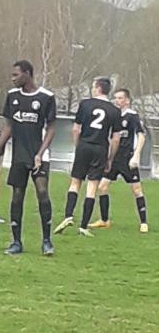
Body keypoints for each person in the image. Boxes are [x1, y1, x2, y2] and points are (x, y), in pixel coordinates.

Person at [0, 60, 56, 256]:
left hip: (39, 155)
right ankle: (16, 242)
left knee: (42, 193)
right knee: (17, 196)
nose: (13, 79)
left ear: (27, 74)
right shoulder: (12, 96)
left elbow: (51, 128)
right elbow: (9, 126)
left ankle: (47, 241)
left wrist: (40, 154)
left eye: (16, 75)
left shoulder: (46, 97)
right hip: (19, 155)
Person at [54, 78, 122, 238]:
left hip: (84, 145)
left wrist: (78, 146)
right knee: (92, 187)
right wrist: (110, 158)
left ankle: (68, 216)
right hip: (100, 149)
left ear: (98, 88)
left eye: (93, 87)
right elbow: (116, 137)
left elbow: (76, 129)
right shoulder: (115, 110)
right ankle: (84, 226)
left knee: (75, 182)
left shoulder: (85, 104)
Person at [90, 88, 149, 233]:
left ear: (127, 100)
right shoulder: (113, 116)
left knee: (136, 189)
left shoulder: (132, 116)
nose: (117, 100)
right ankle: (104, 220)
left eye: (120, 98)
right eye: (115, 98)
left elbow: (141, 136)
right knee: (102, 187)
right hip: (114, 158)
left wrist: (136, 155)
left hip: (128, 158)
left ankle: (143, 222)